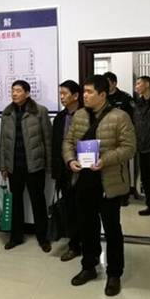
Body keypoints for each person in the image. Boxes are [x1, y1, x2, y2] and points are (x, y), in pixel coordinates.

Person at [63, 75, 136, 297]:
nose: (84, 96)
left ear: (102, 95)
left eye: (89, 92)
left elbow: (129, 148)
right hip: (83, 181)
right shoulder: (79, 115)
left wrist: (105, 160)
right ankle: (89, 266)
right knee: (87, 227)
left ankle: (114, 273)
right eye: (84, 91)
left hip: (108, 183)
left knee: (112, 229)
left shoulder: (120, 117)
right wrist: (70, 160)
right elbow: (68, 142)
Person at [0, 80, 52, 252]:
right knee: (16, 203)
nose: (14, 93)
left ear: (27, 93)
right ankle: (16, 237)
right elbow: (3, 142)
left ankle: (43, 238)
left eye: (18, 90)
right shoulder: (7, 113)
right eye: (12, 90)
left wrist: (49, 166)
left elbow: (48, 140)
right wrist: (3, 166)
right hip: (14, 167)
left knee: (38, 202)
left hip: (35, 166)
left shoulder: (40, 111)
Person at [51, 79, 94, 262]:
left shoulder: (87, 115)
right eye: (60, 93)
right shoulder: (60, 118)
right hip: (64, 170)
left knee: (84, 209)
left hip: (83, 170)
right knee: (69, 208)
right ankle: (74, 245)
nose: (61, 97)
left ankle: (88, 245)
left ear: (75, 96)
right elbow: (55, 146)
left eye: (65, 94)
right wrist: (56, 170)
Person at [103, 72, 135, 205]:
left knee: (122, 168)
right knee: (108, 168)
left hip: (121, 138)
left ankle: (124, 196)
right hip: (106, 138)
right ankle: (109, 194)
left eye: (108, 83)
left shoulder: (125, 98)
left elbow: (133, 118)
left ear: (114, 83)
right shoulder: (102, 97)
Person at [133, 75, 150, 216]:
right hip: (142, 147)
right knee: (146, 178)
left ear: (147, 84)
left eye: (139, 83)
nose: (136, 86)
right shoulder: (138, 103)